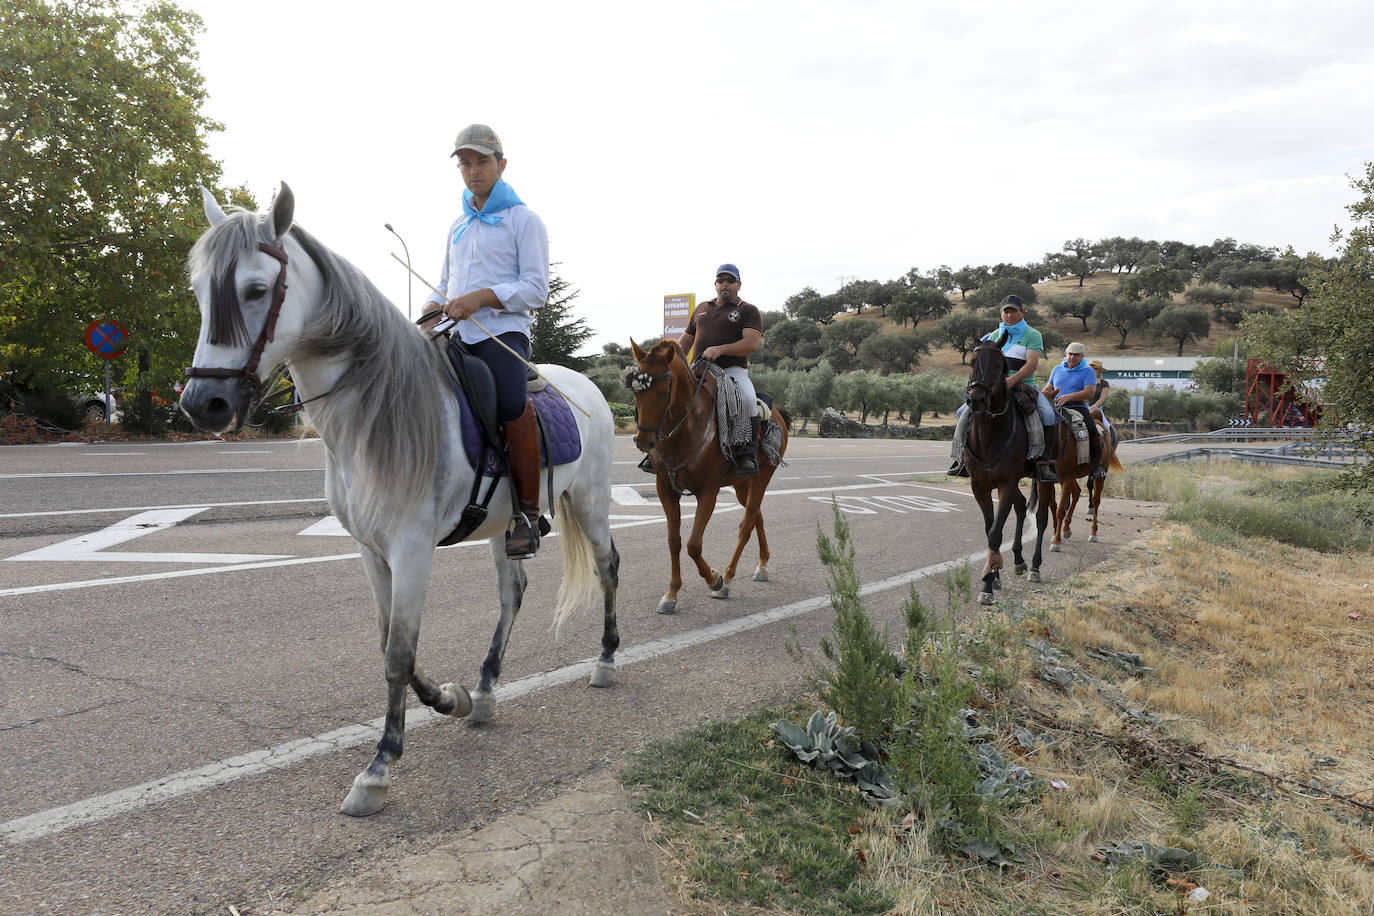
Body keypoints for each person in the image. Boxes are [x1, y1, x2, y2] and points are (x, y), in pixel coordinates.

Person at [424, 123, 550, 559]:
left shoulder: (524, 220)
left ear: (501, 164)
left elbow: (536, 288)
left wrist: (480, 298)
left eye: (481, 161)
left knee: (511, 402)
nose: (473, 170)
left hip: (502, 336)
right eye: (466, 163)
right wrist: (424, 317)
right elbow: (443, 284)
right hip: (454, 335)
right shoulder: (458, 227)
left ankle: (527, 515)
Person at [948, 294, 1058, 481]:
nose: (1010, 315)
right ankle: (961, 460)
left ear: (1023, 312)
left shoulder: (1032, 335)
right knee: (962, 413)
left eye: (1014, 311)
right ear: (1001, 314)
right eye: (1006, 311)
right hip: (993, 389)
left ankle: (1042, 462)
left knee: (1047, 415)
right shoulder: (993, 336)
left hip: (1024, 386)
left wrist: (1011, 381)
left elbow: (1031, 365)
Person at [677, 263, 764, 475]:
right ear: (715, 284)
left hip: (732, 371)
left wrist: (720, 350)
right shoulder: (701, 309)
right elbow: (685, 343)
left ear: (739, 284)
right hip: (698, 370)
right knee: (669, 395)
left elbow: (751, 344)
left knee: (748, 399)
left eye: (730, 281)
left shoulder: (747, 310)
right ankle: (656, 449)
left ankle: (746, 453)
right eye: (721, 280)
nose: (725, 284)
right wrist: (671, 360)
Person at [1044, 342, 1106, 479]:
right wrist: (1042, 395)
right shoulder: (1057, 369)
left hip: (1078, 407)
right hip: (1056, 406)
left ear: (1082, 356)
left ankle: (1096, 465)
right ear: (1066, 354)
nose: (1072, 357)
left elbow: (1089, 392)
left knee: (1092, 429)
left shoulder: (1088, 371)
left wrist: (1069, 397)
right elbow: (1049, 387)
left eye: (1076, 355)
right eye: (1070, 354)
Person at [1087, 359, 1110, 424]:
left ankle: (1109, 433)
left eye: (1095, 369)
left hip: (1096, 407)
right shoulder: (1083, 381)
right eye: (1090, 369)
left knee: (1106, 425)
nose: (1092, 370)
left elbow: (1102, 399)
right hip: (1083, 406)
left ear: (1099, 370)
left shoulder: (1104, 384)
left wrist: (1094, 406)